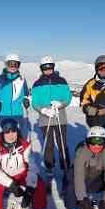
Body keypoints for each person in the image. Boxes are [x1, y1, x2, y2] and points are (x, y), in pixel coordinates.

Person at [0, 118, 49, 209]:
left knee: (38, 184)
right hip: (4, 175)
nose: (11, 135)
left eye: (13, 131)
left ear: (17, 131)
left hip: (20, 173)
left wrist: (30, 188)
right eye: (7, 132)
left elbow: (32, 167)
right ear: (2, 133)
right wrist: (11, 184)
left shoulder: (24, 145)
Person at [31, 56, 72, 186]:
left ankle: (65, 168)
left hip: (60, 117)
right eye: (45, 68)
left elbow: (68, 97)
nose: (48, 70)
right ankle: (49, 168)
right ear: (41, 69)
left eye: (50, 67)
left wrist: (60, 104)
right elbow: (34, 102)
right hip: (45, 118)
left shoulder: (61, 81)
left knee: (62, 143)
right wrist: (43, 110)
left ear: (53, 67)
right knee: (48, 145)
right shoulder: (37, 84)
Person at [0, 54, 30, 133]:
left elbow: (26, 94)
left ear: (18, 65)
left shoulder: (21, 79)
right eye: (10, 64)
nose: (13, 67)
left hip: (18, 113)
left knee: (18, 135)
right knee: (4, 136)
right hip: (3, 113)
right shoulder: (0, 79)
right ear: (6, 65)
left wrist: (26, 99)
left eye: (15, 64)